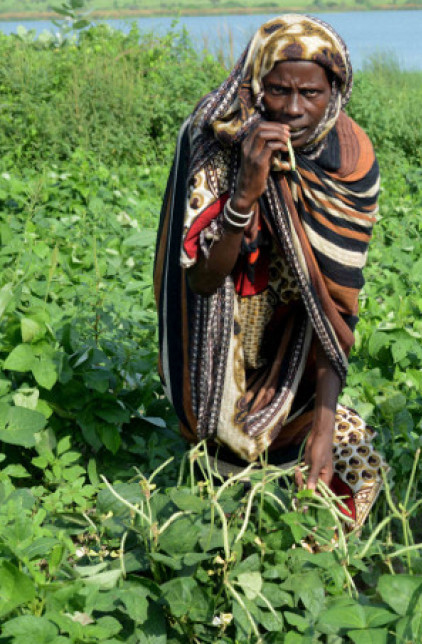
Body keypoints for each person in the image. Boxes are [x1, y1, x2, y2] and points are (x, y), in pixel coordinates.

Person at [153, 15, 385, 531]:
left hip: (295, 338)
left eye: (312, 93)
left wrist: (324, 429)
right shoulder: (218, 141)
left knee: (349, 469)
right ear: (257, 85)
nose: (295, 109)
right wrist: (246, 192)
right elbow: (202, 281)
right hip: (223, 327)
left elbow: (334, 307)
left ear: (336, 90)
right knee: (222, 474)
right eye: (279, 91)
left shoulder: (349, 160)